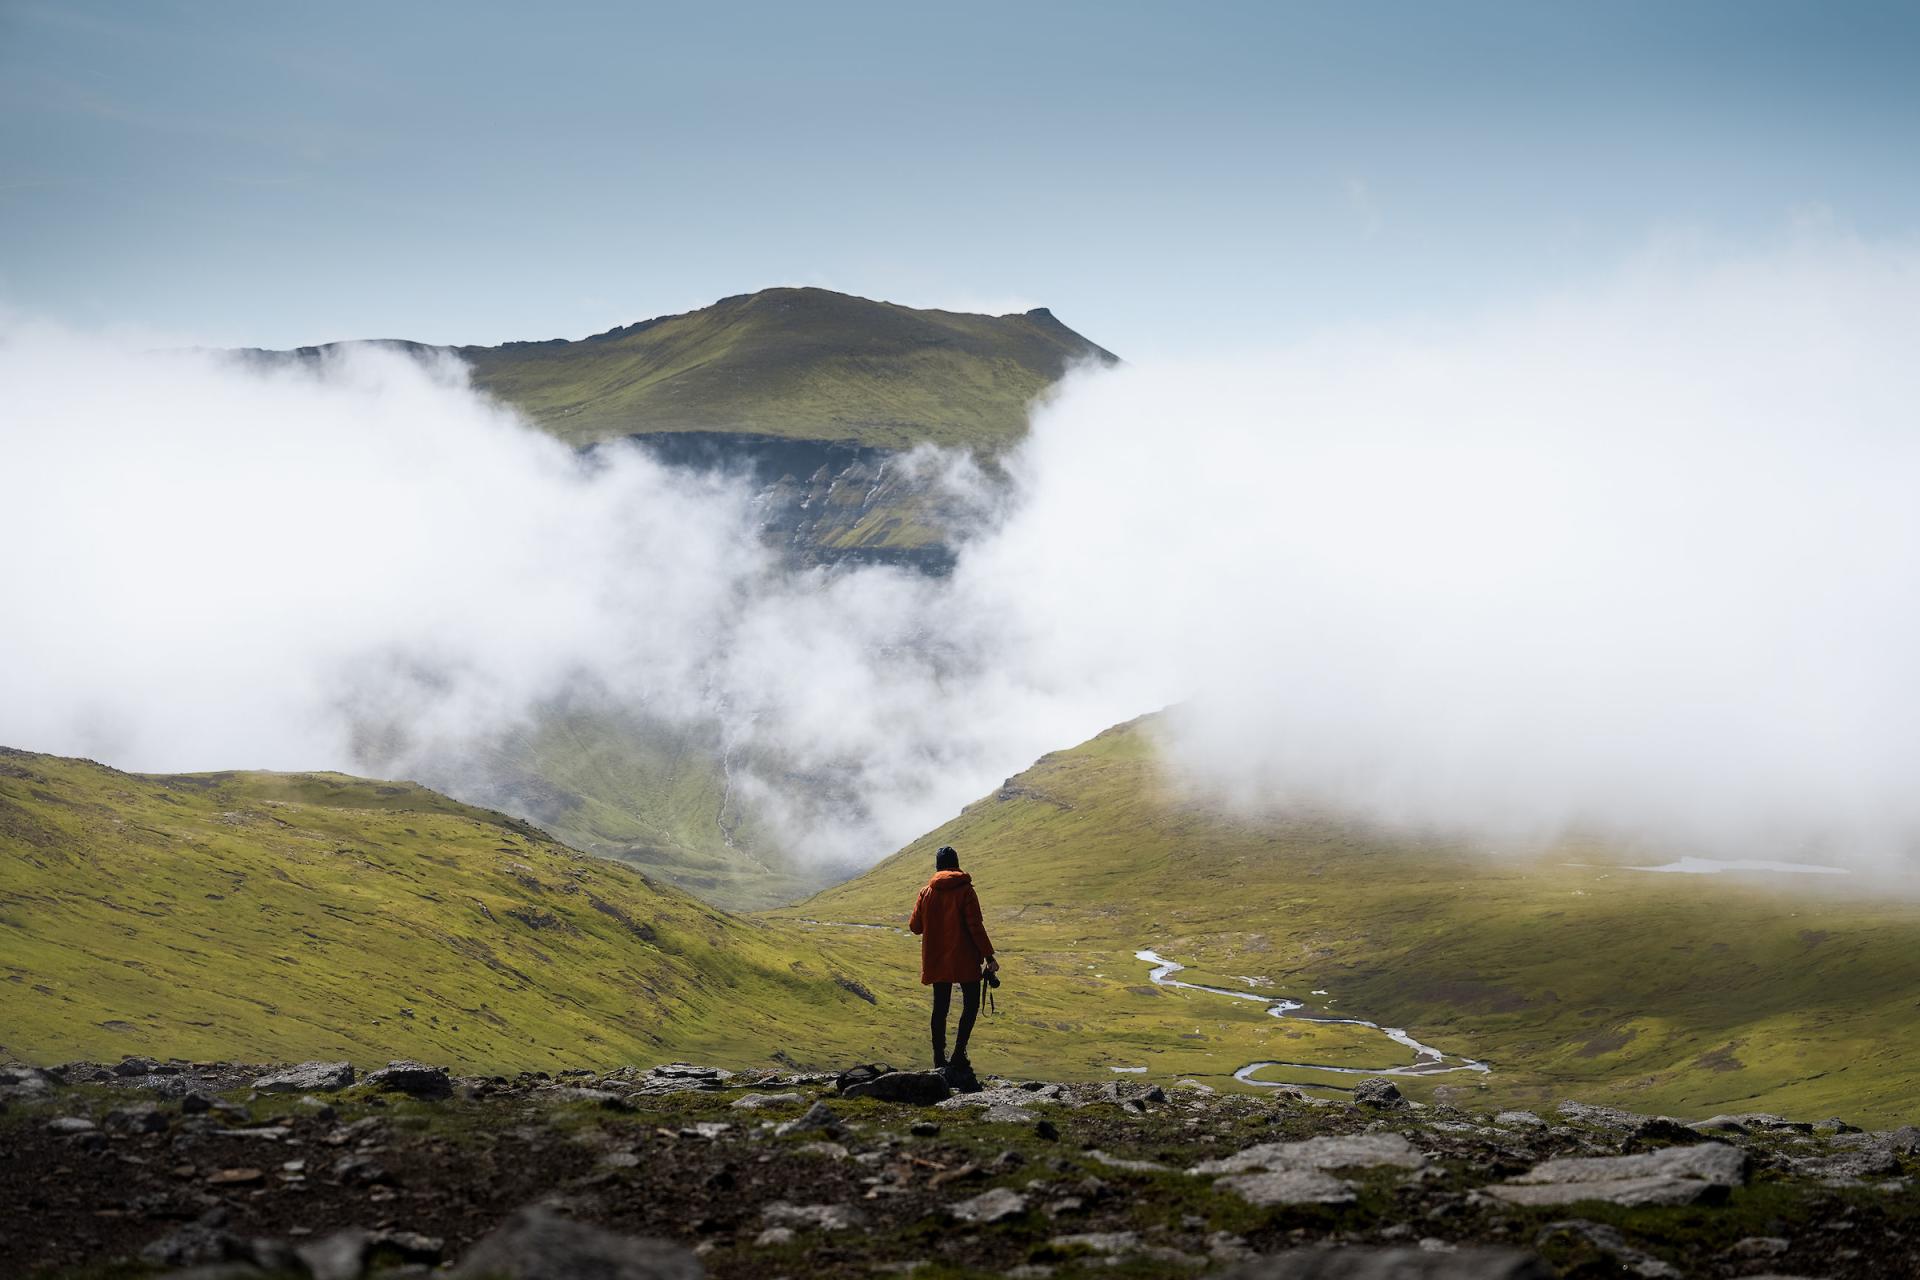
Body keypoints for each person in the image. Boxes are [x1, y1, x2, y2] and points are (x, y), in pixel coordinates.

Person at [907, 844, 998, 1073]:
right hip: (965, 957)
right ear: (956, 864)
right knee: (970, 1004)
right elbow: (975, 927)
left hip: (937, 958)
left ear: (937, 866)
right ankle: (959, 1053)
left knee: (940, 1007)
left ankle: (939, 1058)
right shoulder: (966, 890)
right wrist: (989, 957)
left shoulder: (926, 892)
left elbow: (915, 927)